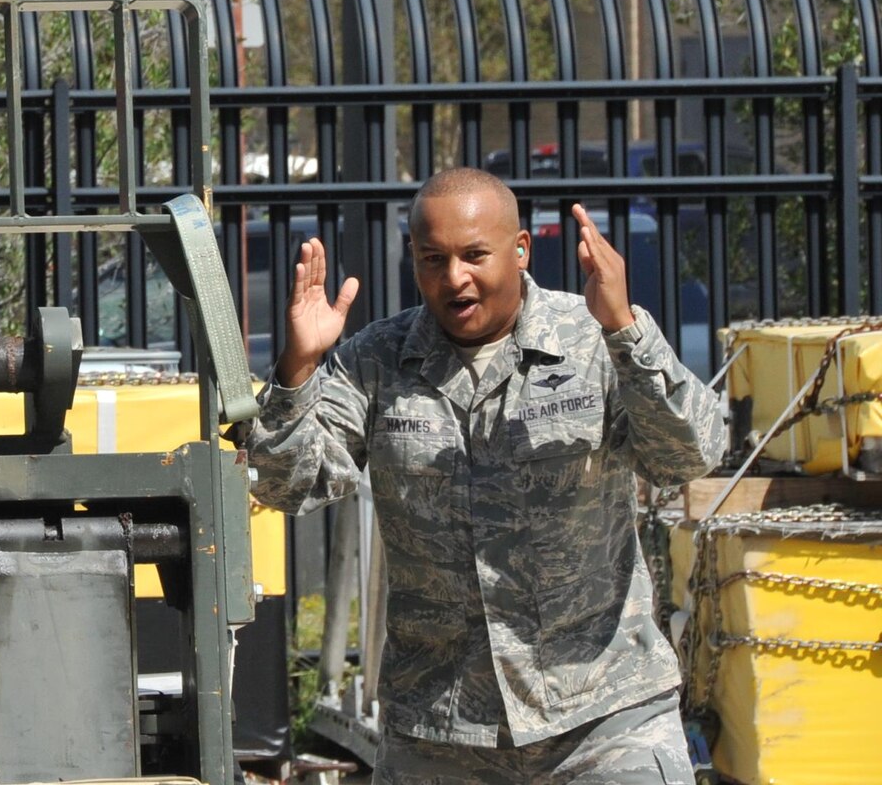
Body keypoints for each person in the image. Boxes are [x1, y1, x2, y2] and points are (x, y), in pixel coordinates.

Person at [248, 167, 724, 784]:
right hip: (443, 730)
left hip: (604, 718)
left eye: (475, 256)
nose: (455, 279)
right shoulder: (376, 360)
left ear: (520, 249)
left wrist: (626, 332)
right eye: (433, 259)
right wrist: (295, 373)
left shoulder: (594, 341)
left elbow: (690, 457)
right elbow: (288, 486)